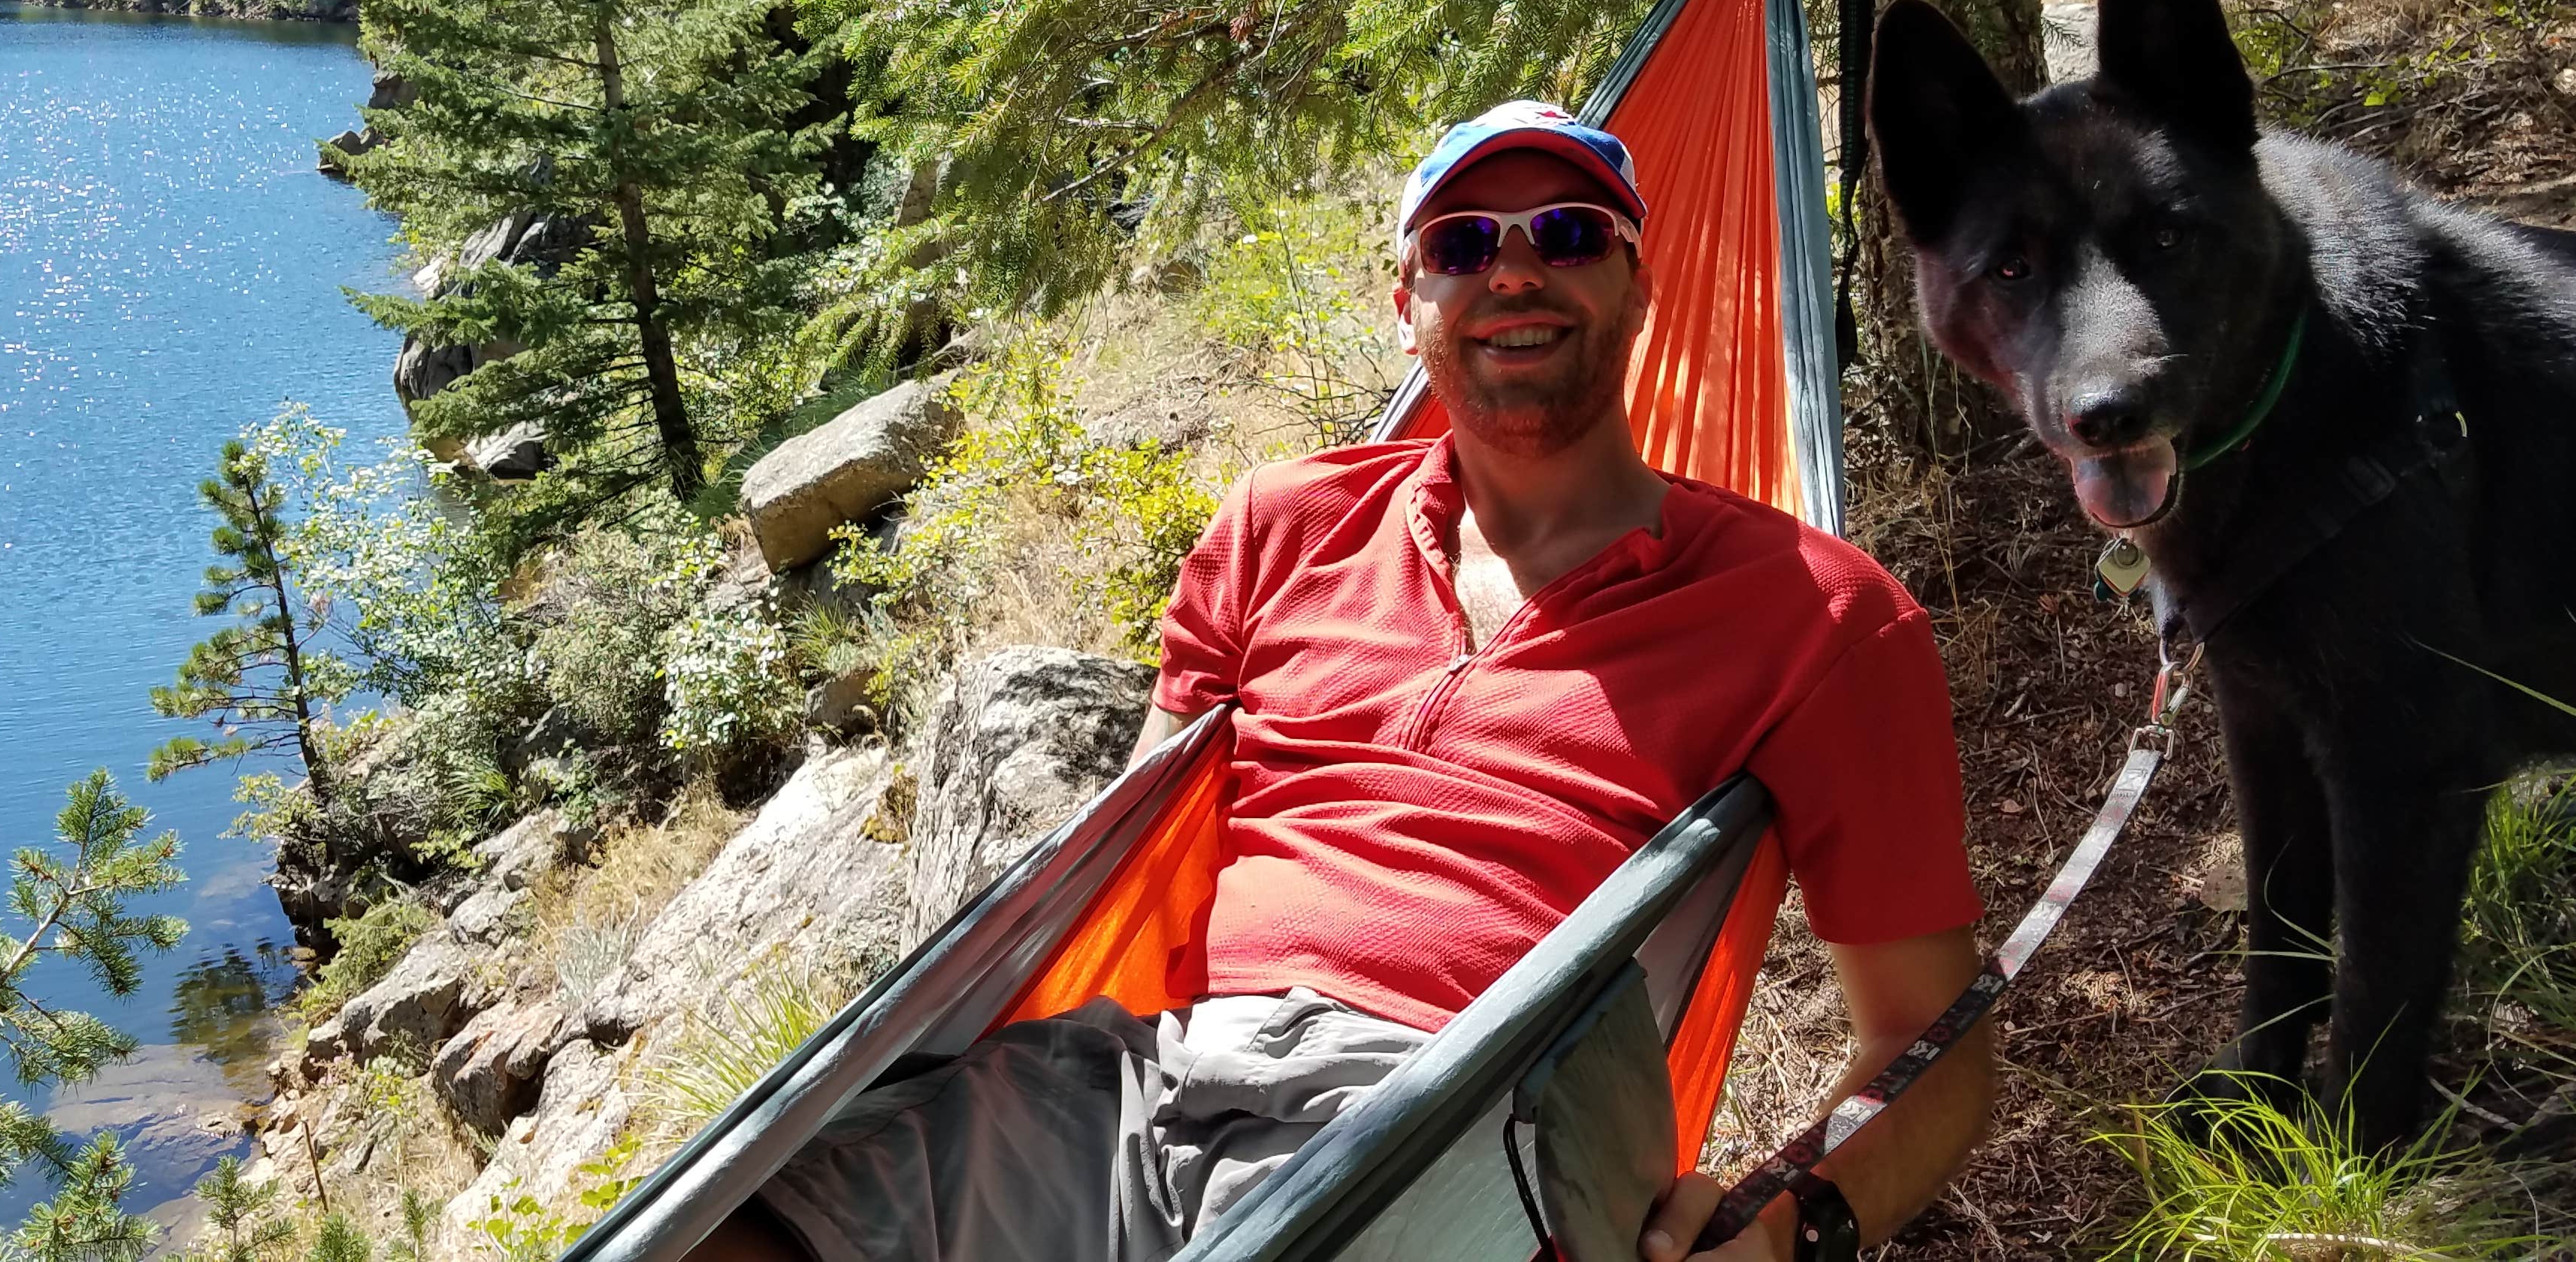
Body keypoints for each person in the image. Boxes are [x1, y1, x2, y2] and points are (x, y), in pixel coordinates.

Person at [695, 101, 1996, 1262]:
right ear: (1406, 302)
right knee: (724, 1231)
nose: (1515, 271)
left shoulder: (1817, 615)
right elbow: (1133, 863)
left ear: (1639, 283)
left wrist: (1787, 1228)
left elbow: (1932, 1047)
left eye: (1568, 233)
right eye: (1462, 245)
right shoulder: (1282, 525)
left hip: (1459, 1138)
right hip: (1143, 1087)